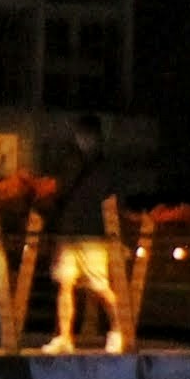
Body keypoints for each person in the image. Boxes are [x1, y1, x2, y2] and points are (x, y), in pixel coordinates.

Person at [46, 118, 124, 349]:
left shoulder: (105, 168)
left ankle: (118, 330)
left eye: (88, 136)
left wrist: (114, 230)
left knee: (100, 285)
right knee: (65, 283)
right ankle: (64, 336)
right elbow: (60, 193)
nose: (83, 141)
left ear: (98, 138)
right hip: (69, 232)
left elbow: (116, 200)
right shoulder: (71, 163)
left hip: (93, 235)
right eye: (81, 136)